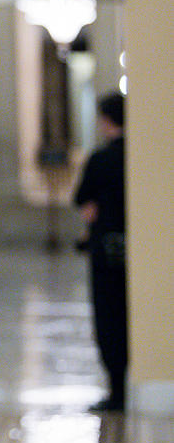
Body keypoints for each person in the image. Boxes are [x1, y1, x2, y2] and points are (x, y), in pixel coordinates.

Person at [74, 92, 126, 412]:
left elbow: (82, 197)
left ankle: (118, 388)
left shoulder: (101, 159)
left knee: (109, 317)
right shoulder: (141, 158)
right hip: (135, 248)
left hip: (106, 249)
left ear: (106, 121)